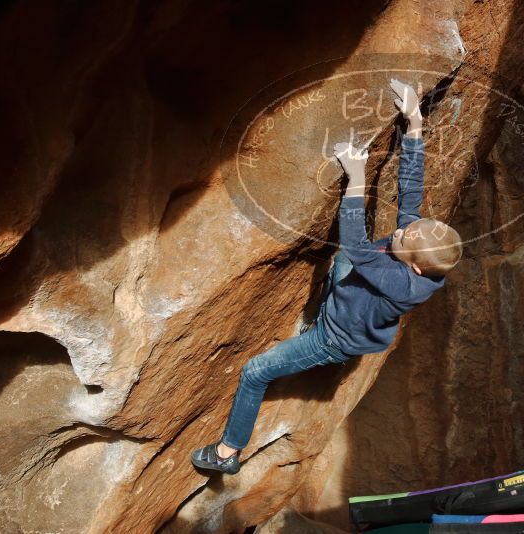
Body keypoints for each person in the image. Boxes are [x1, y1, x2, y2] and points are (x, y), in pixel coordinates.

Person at [191, 79, 463, 475]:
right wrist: (415, 122)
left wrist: (356, 177)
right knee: (344, 265)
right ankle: (327, 314)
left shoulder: (403, 284)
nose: (403, 230)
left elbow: (355, 244)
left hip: (333, 338)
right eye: (410, 228)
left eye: (406, 238)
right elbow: (410, 191)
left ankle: (227, 453)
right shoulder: (414, 252)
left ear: (416, 268)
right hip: (353, 300)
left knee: (255, 371)